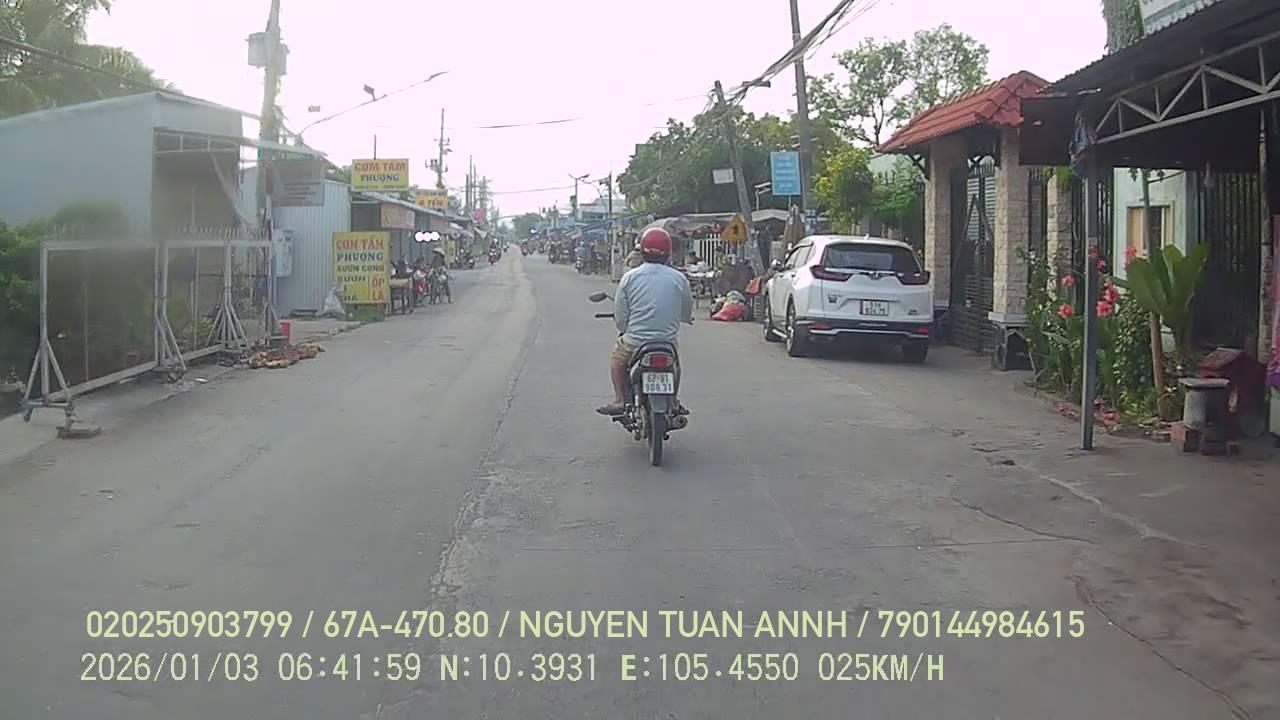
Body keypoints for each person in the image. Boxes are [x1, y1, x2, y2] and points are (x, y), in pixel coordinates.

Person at [596, 227, 693, 416]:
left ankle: (620, 400)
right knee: (675, 365)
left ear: (642, 251)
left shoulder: (630, 277)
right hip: (667, 341)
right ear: (668, 253)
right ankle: (673, 401)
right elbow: (686, 310)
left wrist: (624, 328)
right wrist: (684, 318)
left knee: (617, 360)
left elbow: (621, 314)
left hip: (635, 341)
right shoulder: (679, 278)